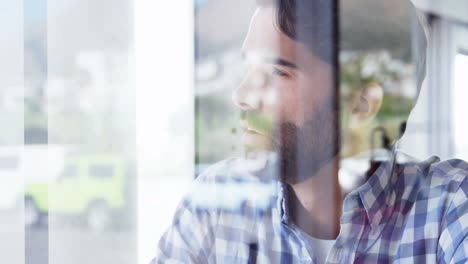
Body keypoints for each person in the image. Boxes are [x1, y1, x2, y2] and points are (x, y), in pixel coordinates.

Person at [153, 0, 468, 263]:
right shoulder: (215, 202)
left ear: (361, 103)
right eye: (249, 68)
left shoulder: (450, 206)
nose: (241, 94)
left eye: (275, 71)